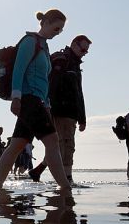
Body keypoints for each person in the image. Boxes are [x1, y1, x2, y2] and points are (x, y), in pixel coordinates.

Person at [0, 9, 72, 191]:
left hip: (38, 102)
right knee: (52, 141)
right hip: (28, 100)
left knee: (16, 145)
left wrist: (47, 105)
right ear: (44, 23)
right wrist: (16, 98)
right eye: (56, 28)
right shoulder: (30, 42)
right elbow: (19, 70)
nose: (58, 33)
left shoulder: (44, 46)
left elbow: (44, 80)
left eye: (60, 30)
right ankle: (65, 188)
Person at [29, 34, 92, 183]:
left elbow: (79, 93)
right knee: (66, 144)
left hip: (71, 113)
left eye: (86, 51)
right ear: (74, 45)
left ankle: (38, 171)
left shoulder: (75, 65)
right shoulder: (61, 60)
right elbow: (51, 85)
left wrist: (83, 118)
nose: (84, 53)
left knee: (60, 145)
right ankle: (66, 179)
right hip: (59, 110)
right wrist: (47, 107)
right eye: (83, 49)